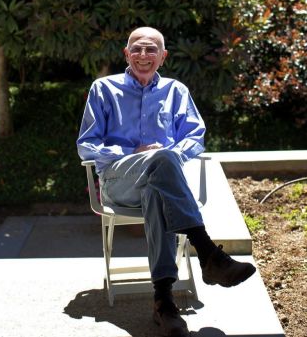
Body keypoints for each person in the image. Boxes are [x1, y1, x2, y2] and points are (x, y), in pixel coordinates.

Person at [77, 27, 256, 336]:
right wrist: (134, 151)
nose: (143, 56)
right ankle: (207, 252)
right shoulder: (104, 89)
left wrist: (167, 155)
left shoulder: (176, 91)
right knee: (162, 160)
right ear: (126, 54)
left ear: (163, 56)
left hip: (161, 187)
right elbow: (87, 145)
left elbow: (195, 138)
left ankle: (164, 303)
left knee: (158, 187)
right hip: (119, 182)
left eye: (151, 50)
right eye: (137, 50)